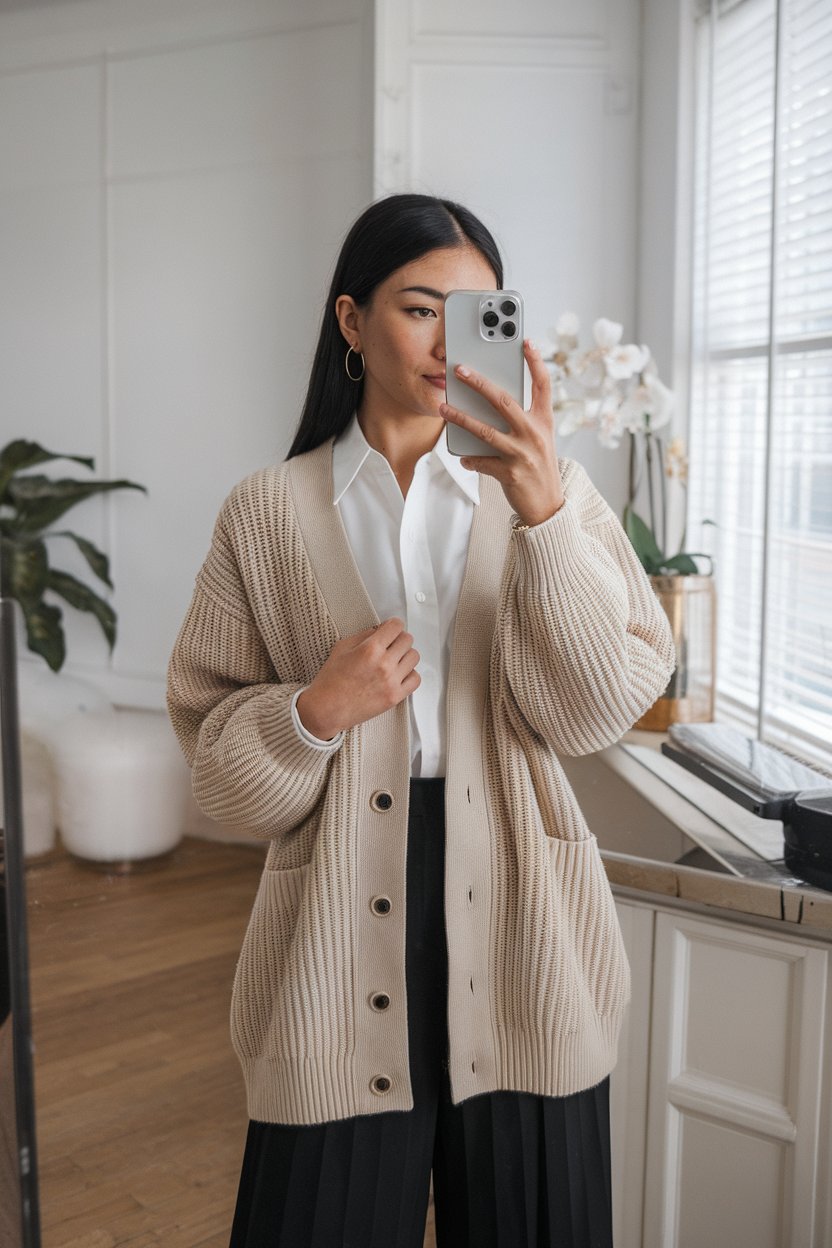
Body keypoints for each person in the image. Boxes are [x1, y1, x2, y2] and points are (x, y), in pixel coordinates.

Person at [165, 192, 676, 1248]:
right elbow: (215, 773)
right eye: (417, 308)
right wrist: (313, 712)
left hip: (530, 936)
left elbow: (593, 714)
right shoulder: (267, 512)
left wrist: (539, 518)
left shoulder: (554, 492)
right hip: (331, 946)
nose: (449, 341)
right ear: (350, 321)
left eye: (475, 310)